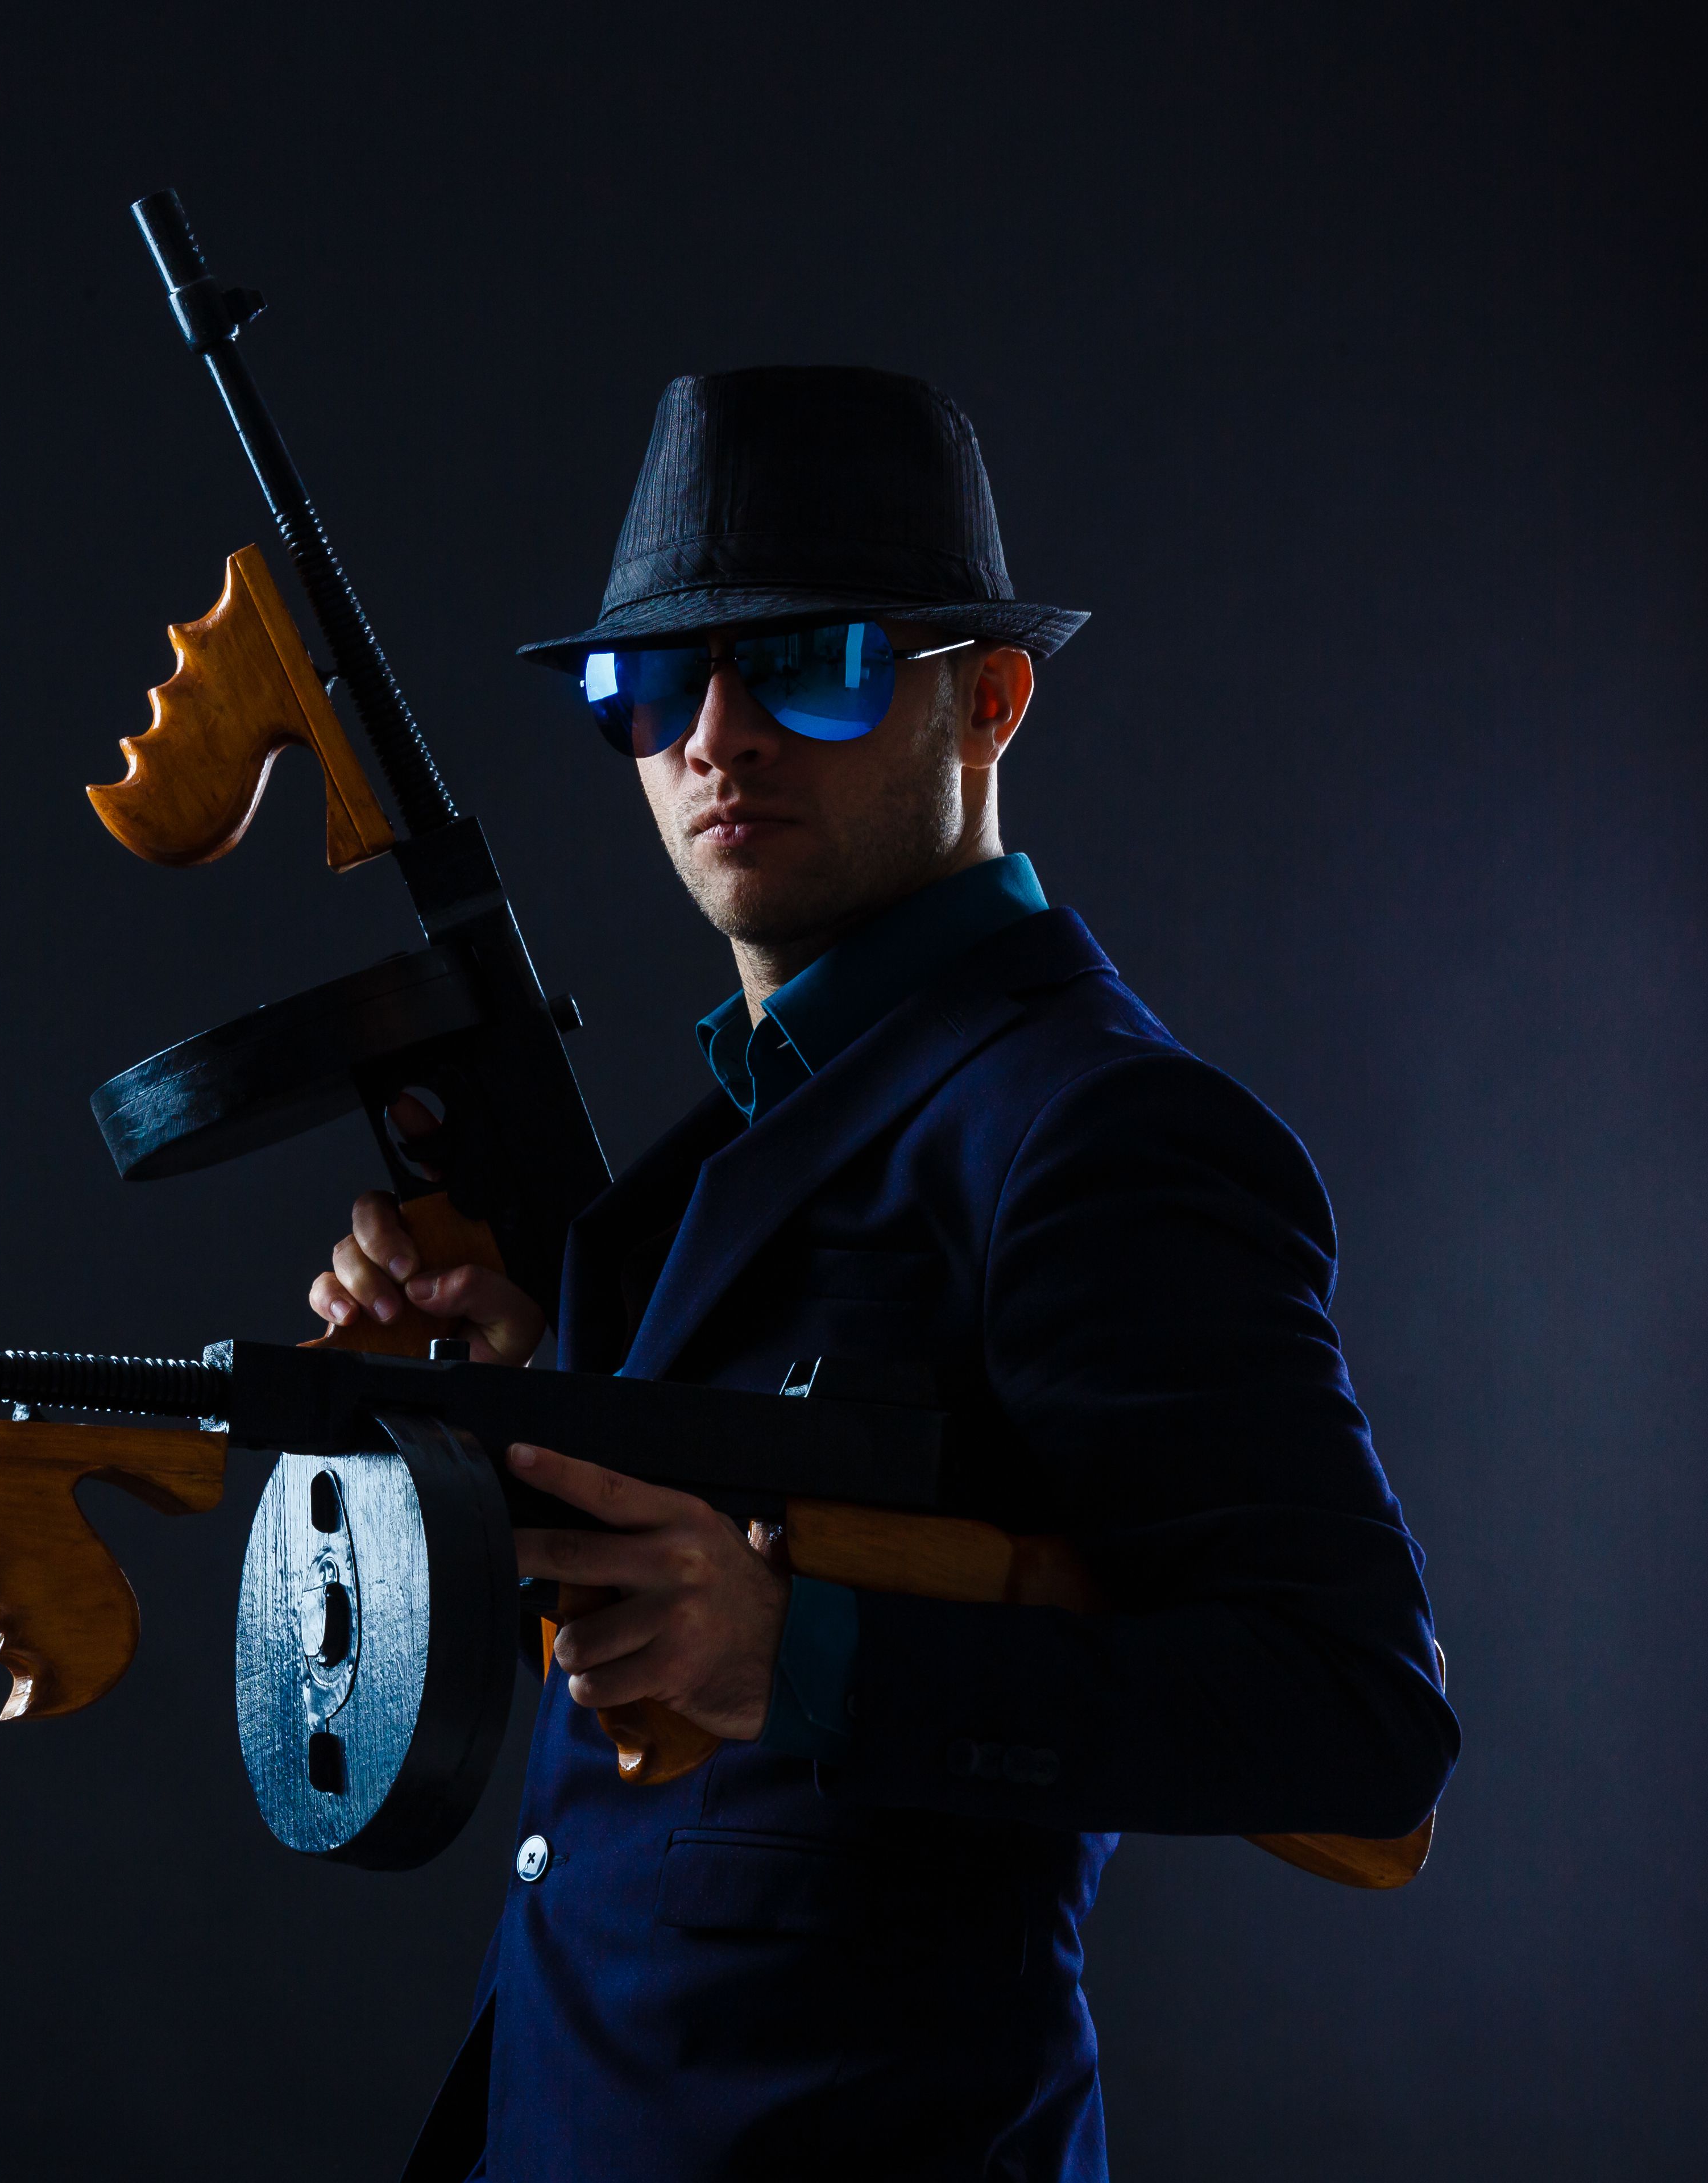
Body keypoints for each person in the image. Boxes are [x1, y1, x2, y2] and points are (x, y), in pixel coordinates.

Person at [312, 368, 1458, 2181]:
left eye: (813, 662)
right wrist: (528, 1388)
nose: (716, 735)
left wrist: (810, 1658)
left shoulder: (1100, 1131)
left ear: (989, 700)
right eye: (650, 686)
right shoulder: (752, 1135)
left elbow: (1355, 1723)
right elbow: (804, 1485)